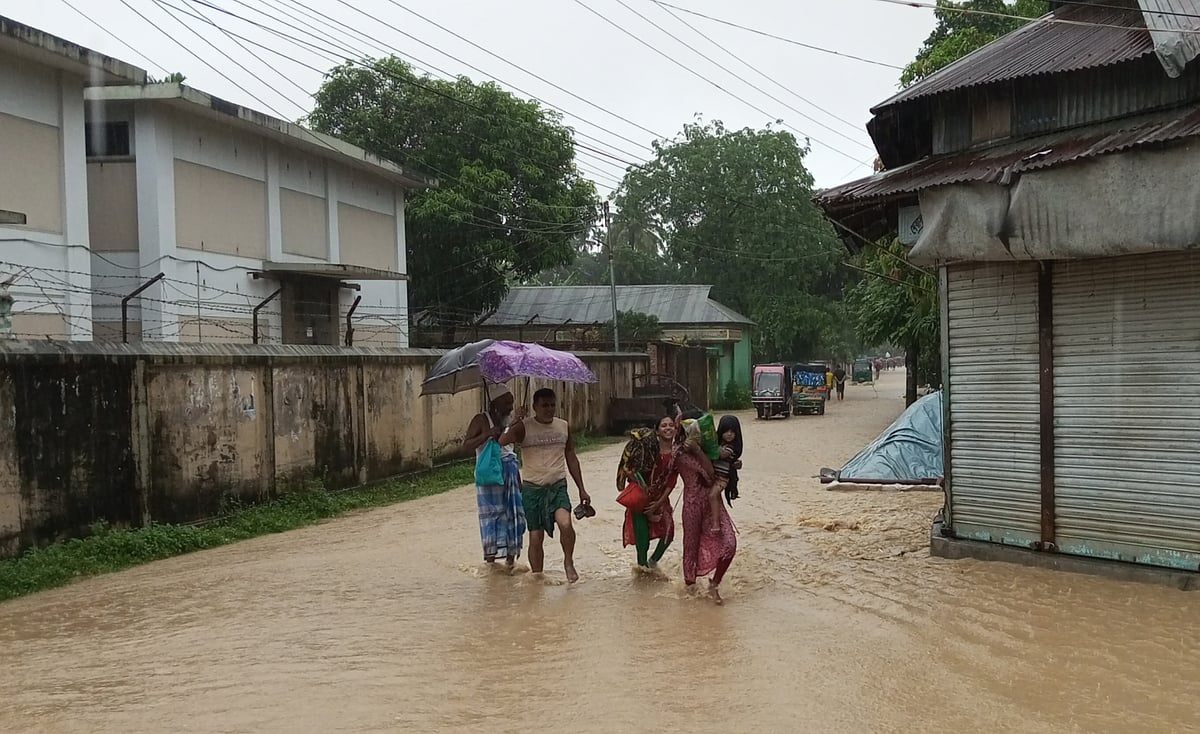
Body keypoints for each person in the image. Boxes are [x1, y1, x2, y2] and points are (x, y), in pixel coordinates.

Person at [501, 387, 591, 582]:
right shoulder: (523, 427)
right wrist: (515, 421)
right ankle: (538, 577)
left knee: (565, 524)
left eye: (552, 405)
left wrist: (582, 489)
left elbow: (571, 456)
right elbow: (502, 440)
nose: (549, 409)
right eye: (544, 405)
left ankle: (568, 562)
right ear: (535, 407)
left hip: (557, 486)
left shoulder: (563, 426)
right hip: (532, 490)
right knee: (535, 537)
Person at [671, 417, 738, 604]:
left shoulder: (710, 449)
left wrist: (699, 450)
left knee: (730, 544)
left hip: (713, 502)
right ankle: (690, 593)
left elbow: (710, 474)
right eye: (693, 431)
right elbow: (667, 475)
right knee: (690, 550)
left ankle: (714, 584)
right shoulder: (678, 452)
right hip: (692, 504)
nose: (697, 435)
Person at [461, 383, 527, 567]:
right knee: (491, 515)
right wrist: (488, 434)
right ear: (495, 403)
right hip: (489, 474)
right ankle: (490, 561)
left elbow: (514, 445)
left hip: (511, 471)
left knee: (513, 514)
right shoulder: (481, 420)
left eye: (511, 403)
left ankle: (510, 562)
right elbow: (466, 445)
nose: (510, 407)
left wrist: (519, 422)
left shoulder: (510, 420)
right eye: (507, 403)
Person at [619, 415, 679, 570]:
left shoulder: (678, 453)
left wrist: (657, 505)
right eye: (663, 425)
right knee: (642, 541)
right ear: (657, 431)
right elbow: (632, 470)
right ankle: (642, 572)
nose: (668, 428)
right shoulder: (648, 448)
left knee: (668, 534)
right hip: (641, 498)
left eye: (671, 425)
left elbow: (671, 483)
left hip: (661, 499)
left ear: (676, 428)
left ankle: (652, 563)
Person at [710, 416, 744, 517]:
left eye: (732, 432)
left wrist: (710, 442)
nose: (729, 434)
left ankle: (715, 521)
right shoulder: (722, 444)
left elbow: (722, 454)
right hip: (713, 476)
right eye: (726, 431)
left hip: (722, 479)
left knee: (712, 495)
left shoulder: (731, 447)